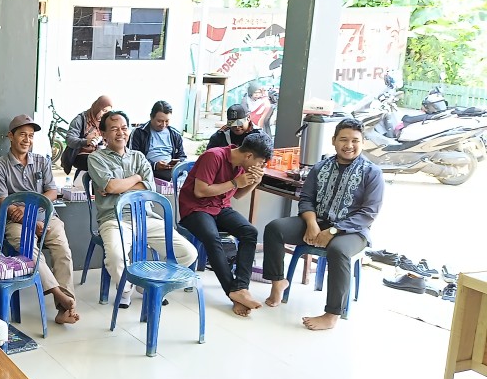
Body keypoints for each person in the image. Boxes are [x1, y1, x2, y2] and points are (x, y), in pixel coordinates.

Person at [264, 118, 384, 331]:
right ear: (333, 141)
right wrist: (311, 223)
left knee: (338, 251)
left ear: (363, 142)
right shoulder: (321, 167)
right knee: (275, 228)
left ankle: (331, 314)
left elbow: (368, 213)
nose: (349, 145)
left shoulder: (372, 173)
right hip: (318, 223)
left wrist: (334, 231)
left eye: (355, 140)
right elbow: (306, 198)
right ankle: (278, 282)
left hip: (353, 231)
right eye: (343, 139)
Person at [87, 112, 198, 308]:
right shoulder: (96, 158)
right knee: (115, 256)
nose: (120, 133)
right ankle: (127, 288)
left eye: (123, 128)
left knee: (188, 253)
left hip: (147, 217)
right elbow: (112, 187)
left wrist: (118, 186)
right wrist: (137, 178)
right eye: (114, 129)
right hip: (114, 219)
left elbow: (151, 189)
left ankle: (151, 283)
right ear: (103, 134)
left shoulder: (138, 156)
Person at [0, 115, 80, 325]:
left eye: (30, 136)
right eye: (22, 134)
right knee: (31, 251)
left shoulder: (42, 161)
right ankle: (60, 296)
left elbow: (52, 192)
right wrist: (30, 222)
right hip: (16, 223)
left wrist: (33, 212)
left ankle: (64, 311)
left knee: (63, 250)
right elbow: (5, 205)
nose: (27, 140)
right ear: (10, 136)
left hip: (46, 217)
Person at [178, 132, 273, 317]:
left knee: (249, 232)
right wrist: (235, 182)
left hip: (219, 207)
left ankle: (241, 288)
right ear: (248, 156)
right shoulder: (213, 156)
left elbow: (237, 194)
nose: (261, 166)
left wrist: (255, 181)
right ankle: (234, 294)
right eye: (260, 163)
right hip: (195, 209)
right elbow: (200, 191)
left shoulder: (241, 165)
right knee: (212, 238)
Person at [130, 100, 187, 182]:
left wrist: (177, 163)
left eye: (167, 121)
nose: (163, 125)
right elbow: (133, 158)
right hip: (148, 170)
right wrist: (154, 165)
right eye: (159, 121)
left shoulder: (175, 134)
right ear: (151, 117)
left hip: (171, 169)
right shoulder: (139, 132)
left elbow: (182, 156)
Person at [63, 95, 112, 174]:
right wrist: (86, 141)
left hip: (99, 154)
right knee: (98, 163)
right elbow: (69, 139)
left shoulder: (104, 121)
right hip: (81, 155)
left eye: (107, 112)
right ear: (97, 108)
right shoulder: (80, 120)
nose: (104, 114)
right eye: (104, 110)